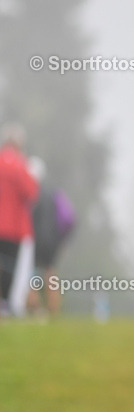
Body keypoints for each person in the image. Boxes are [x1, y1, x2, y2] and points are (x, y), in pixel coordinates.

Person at [27, 158, 76, 317]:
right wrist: (63, 240)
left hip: (35, 239)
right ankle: (53, 307)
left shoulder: (31, 195)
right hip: (53, 241)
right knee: (50, 271)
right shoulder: (54, 194)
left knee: (32, 271)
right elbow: (69, 218)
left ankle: (34, 305)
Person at [0, 123, 38, 318]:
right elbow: (31, 192)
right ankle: (4, 303)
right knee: (9, 266)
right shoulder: (20, 164)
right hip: (12, 227)